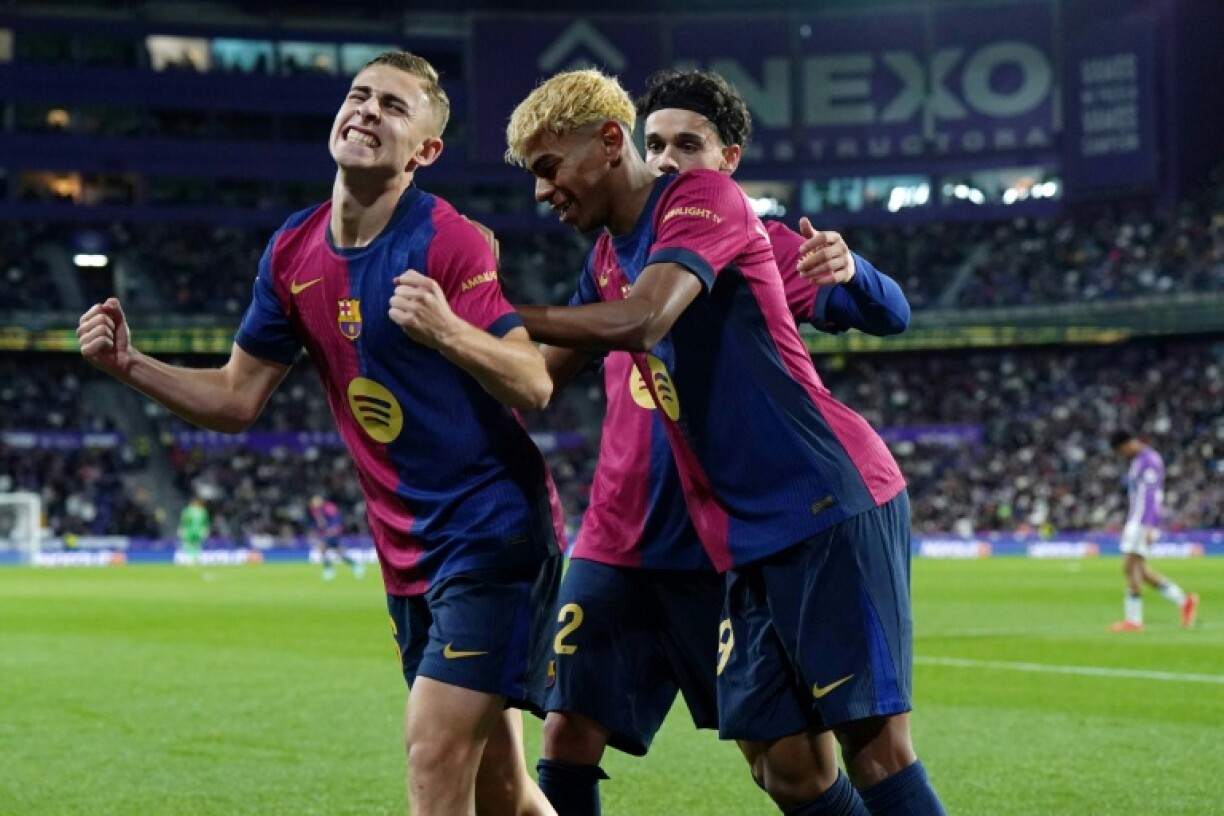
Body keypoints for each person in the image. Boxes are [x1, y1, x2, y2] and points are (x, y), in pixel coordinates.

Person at [78, 50, 563, 816]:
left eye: (394, 107)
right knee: (503, 789)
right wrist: (130, 365)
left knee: (434, 761)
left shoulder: (448, 240)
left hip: (491, 535)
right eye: (360, 95)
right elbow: (238, 399)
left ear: (425, 153)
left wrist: (447, 331)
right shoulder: (292, 252)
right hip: (407, 552)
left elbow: (533, 382)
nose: (368, 110)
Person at [505, 69, 945, 816]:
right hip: (714, 532)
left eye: (688, 144)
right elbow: (537, 375)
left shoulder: (734, 221)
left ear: (727, 158)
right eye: (657, 144)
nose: (669, 159)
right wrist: (441, 339)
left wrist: (854, 270)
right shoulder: (611, 256)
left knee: (869, 748)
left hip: (810, 505)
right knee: (781, 767)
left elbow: (884, 311)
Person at [1108, 429, 1199, 632]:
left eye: (1122, 450)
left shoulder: (1149, 460)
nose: (1123, 455)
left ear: (1128, 444)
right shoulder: (1139, 460)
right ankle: (1184, 601)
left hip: (1143, 522)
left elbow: (1151, 496)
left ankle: (1134, 620)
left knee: (1131, 568)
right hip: (1136, 520)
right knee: (1139, 570)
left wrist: (1149, 524)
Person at [307, 494, 364, 580]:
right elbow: (319, 524)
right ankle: (355, 565)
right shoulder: (316, 511)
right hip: (327, 533)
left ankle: (329, 570)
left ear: (320, 500)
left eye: (315, 501)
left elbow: (337, 518)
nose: (313, 503)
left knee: (323, 549)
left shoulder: (328, 507)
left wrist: (334, 529)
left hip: (334, 532)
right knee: (338, 553)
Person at [176, 496, 209, 566]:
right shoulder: (191, 511)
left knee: (195, 545)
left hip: (195, 531)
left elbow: (205, 522)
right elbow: (184, 521)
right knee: (190, 544)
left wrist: (205, 530)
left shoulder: (200, 511)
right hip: (191, 530)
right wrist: (182, 529)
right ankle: (190, 558)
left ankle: (194, 559)